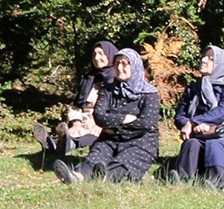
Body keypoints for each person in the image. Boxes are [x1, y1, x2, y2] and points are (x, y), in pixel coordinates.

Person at [55, 47, 159, 184]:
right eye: (117, 64)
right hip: (110, 138)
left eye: (124, 63)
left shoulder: (149, 93)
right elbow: (99, 116)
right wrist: (124, 119)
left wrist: (115, 128)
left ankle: (103, 179)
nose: (120, 68)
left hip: (140, 140)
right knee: (96, 155)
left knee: (126, 161)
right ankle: (76, 177)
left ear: (135, 66)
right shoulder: (108, 89)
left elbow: (146, 123)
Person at [171, 45, 224, 187]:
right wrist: (192, 125)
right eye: (204, 56)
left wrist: (195, 121)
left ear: (221, 65)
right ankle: (181, 180)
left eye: (211, 59)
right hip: (199, 137)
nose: (204, 60)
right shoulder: (193, 89)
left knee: (215, 145)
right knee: (191, 144)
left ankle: (216, 181)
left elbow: (223, 112)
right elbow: (179, 116)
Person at [34, 40, 118, 161]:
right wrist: (76, 122)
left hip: (102, 123)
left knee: (92, 134)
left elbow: (117, 108)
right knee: (75, 131)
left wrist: (100, 123)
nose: (97, 57)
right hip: (84, 121)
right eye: (94, 54)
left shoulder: (116, 80)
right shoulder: (89, 78)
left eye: (101, 53)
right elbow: (76, 105)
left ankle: (58, 145)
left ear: (110, 55)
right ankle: (56, 144)